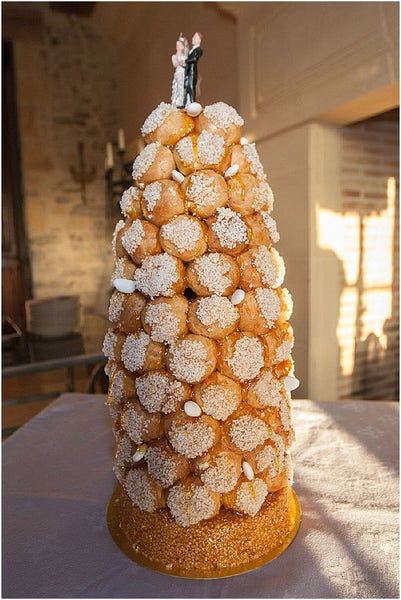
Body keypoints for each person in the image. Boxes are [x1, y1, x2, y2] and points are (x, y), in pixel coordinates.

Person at [183, 32, 203, 107]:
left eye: (194, 37)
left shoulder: (198, 50)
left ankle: (192, 102)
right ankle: (185, 103)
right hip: (188, 71)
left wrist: (185, 61)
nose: (192, 39)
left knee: (191, 87)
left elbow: (194, 59)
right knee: (186, 86)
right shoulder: (191, 50)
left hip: (192, 72)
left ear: (199, 40)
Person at [171, 34, 189, 109]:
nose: (177, 47)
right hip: (178, 72)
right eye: (177, 45)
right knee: (178, 86)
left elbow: (187, 64)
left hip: (183, 72)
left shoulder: (185, 56)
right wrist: (180, 63)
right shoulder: (174, 56)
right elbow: (175, 64)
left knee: (183, 86)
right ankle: (178, 101)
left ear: (182, 46)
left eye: (179, 45)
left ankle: (183, 101)